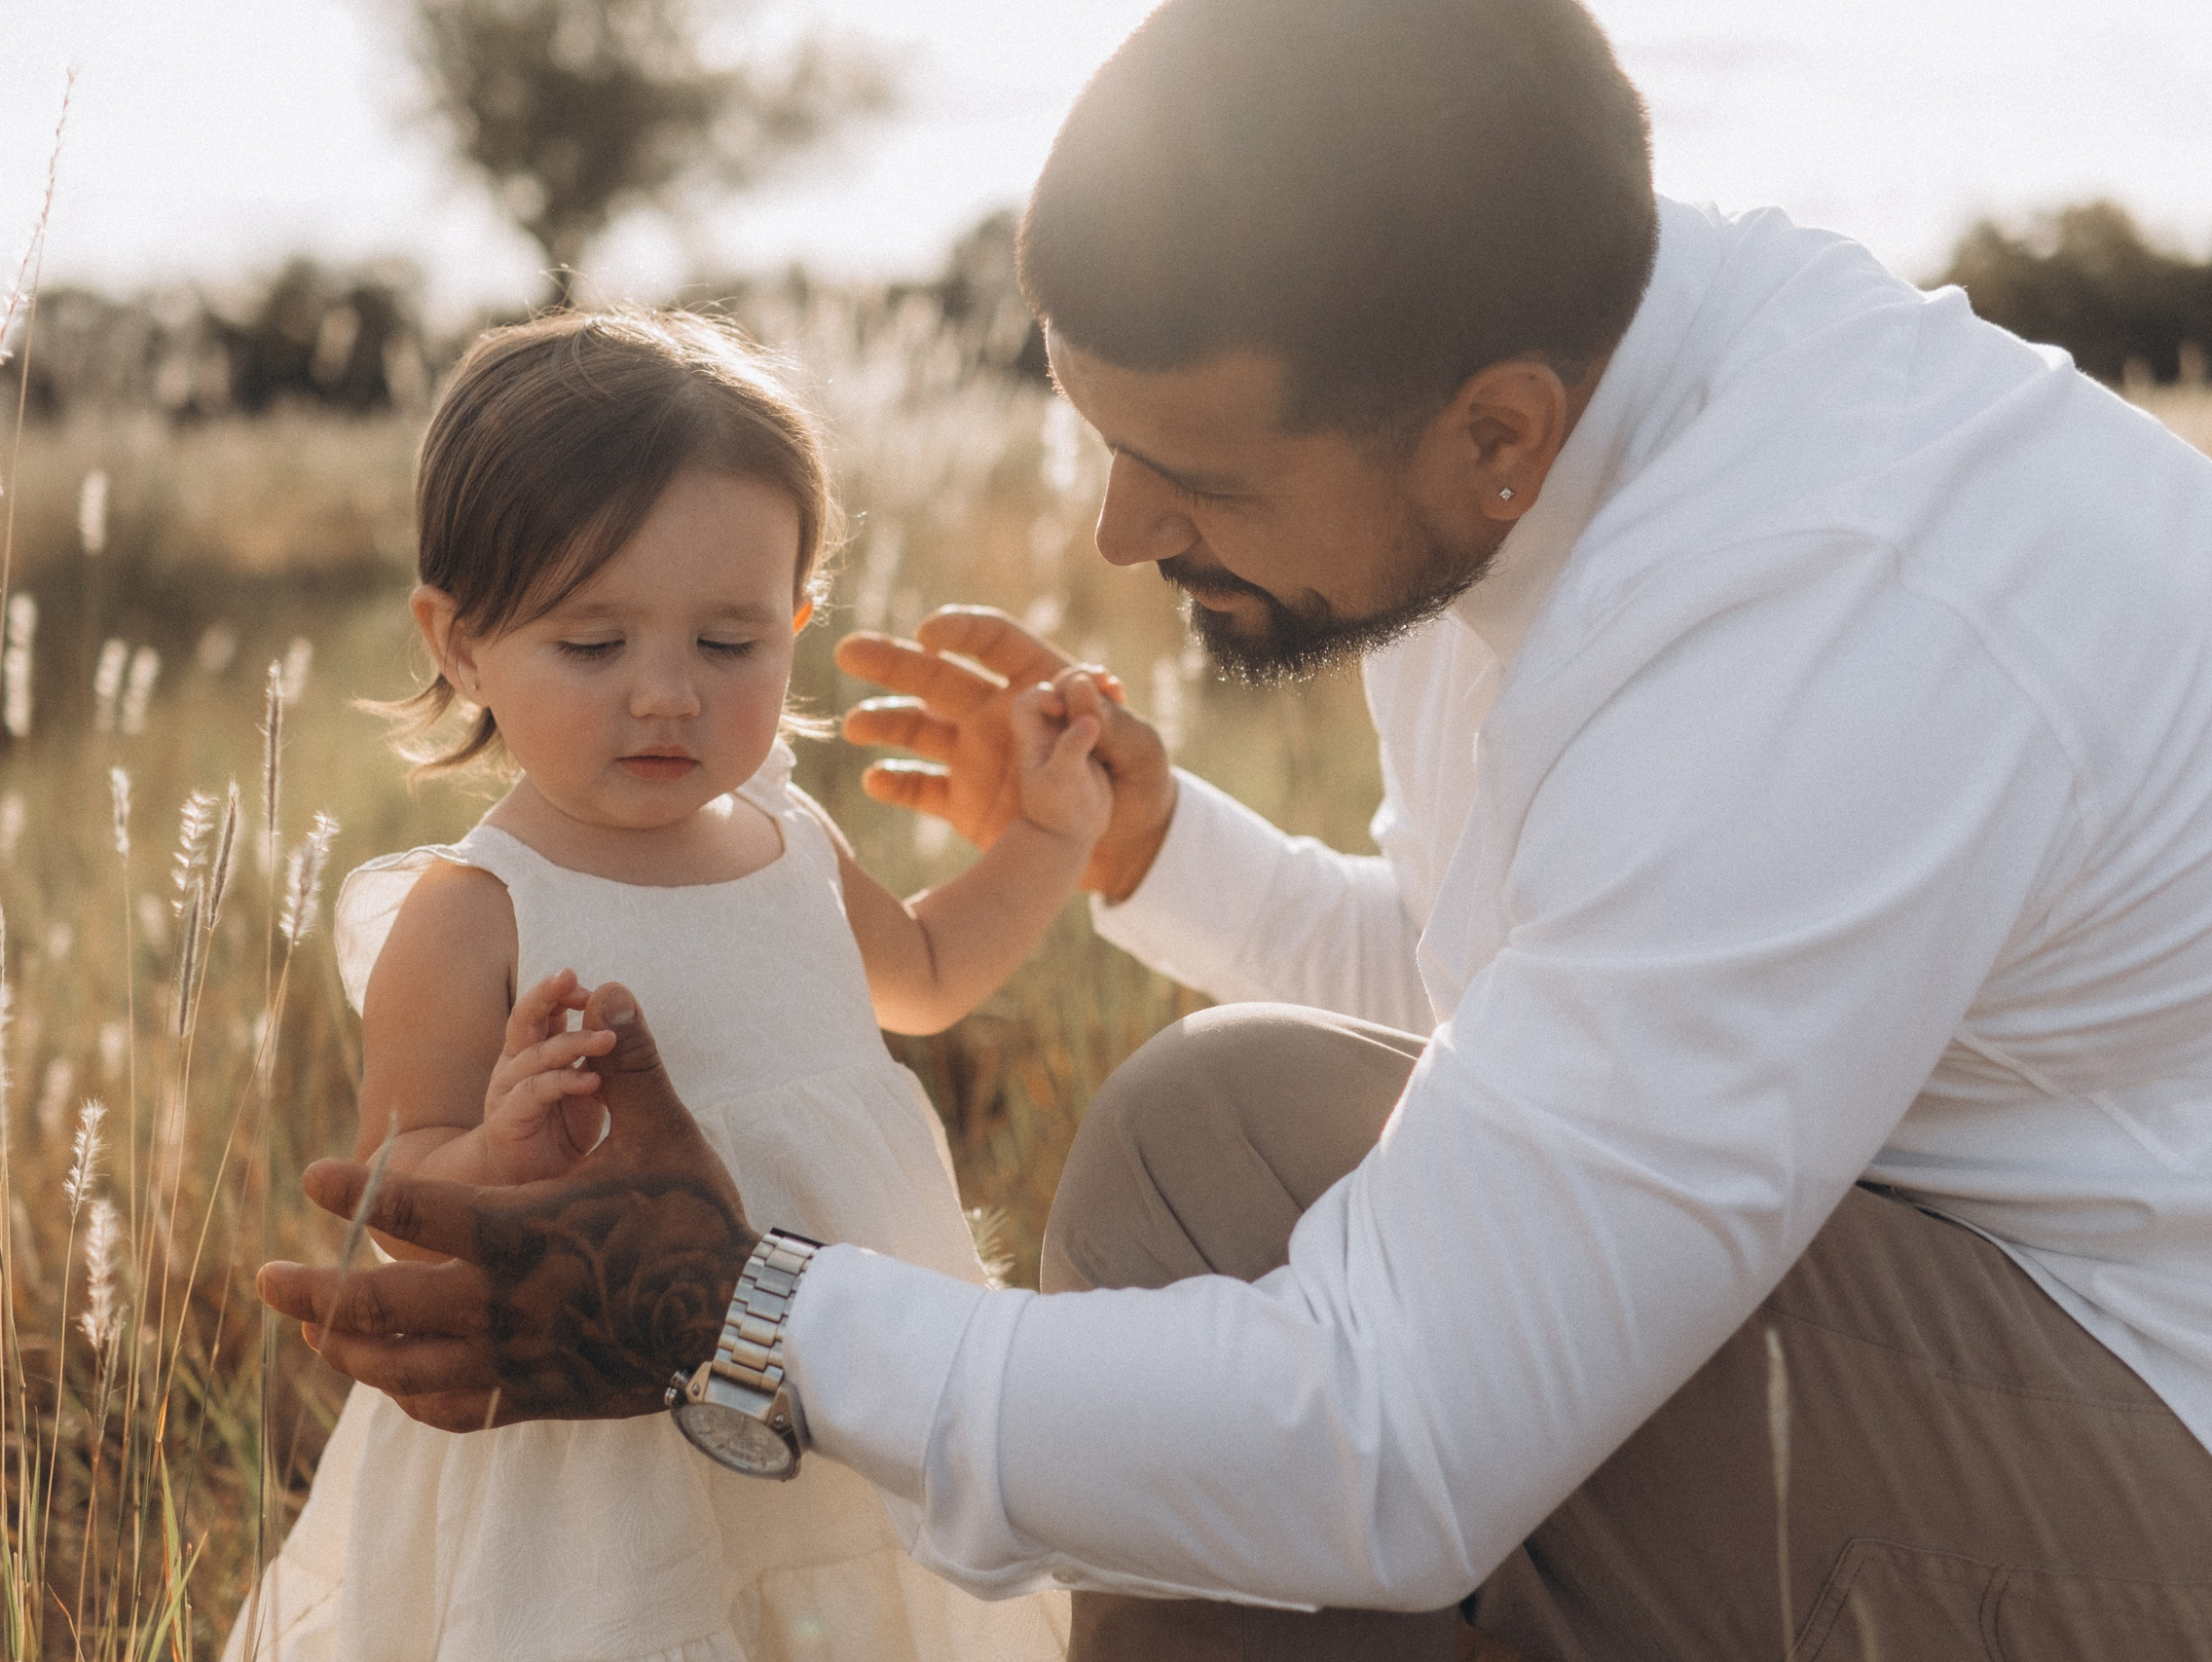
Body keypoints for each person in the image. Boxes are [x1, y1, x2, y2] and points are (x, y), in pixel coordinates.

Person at [258, 3, 2212, 1658]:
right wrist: (1146, 848)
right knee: (1225, 1127)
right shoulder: (1562, 413)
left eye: (1182, 471)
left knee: (1240, 1244)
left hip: (2150, 1429)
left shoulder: (1820, 617)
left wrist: (740, 1311)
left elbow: (1399, 1436)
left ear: (1491, 429)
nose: (1117, 533)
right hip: (1984, 1280)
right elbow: (1530, 992)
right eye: (1101, 441)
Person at [226, 310, 1086, 1662]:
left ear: (797, 620)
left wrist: (1049, 837)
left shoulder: (792, 836)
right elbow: (395, 1197)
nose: (669, 696)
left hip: (835, 1386)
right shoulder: (476, 911)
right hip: (602, 1452)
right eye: (594, 645)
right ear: (459, 643)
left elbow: (920, 977)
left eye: (730, 644)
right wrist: (501, 1152)